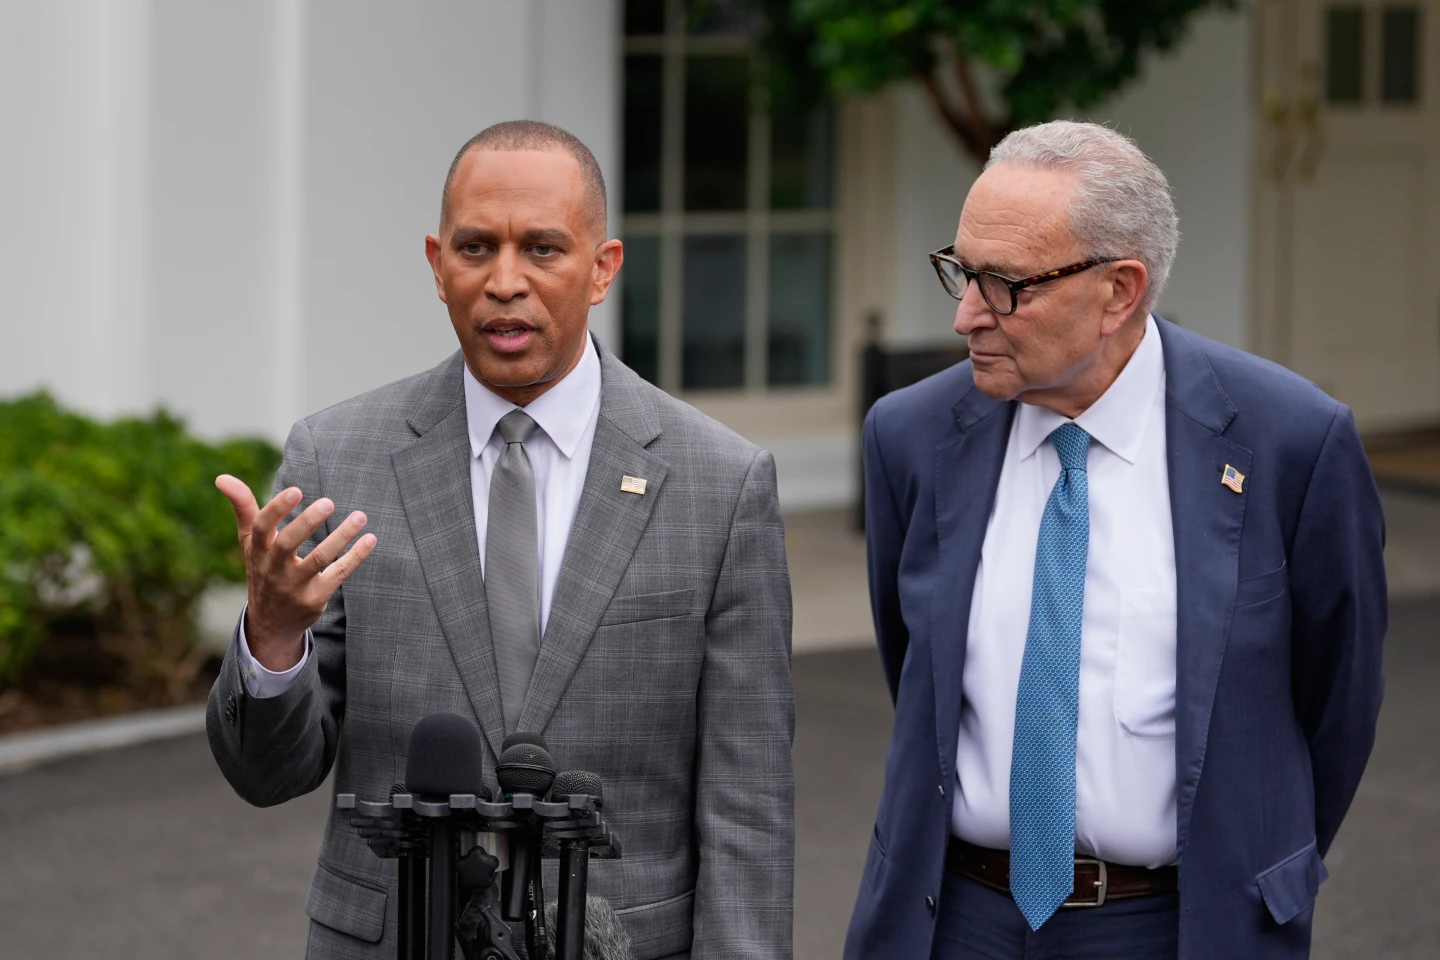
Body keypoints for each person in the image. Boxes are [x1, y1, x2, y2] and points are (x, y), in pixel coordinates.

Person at [207, 120, 795, 960]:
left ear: (603, 269)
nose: (505, 282)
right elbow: (266, 776)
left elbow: (750, 807)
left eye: (543, 249)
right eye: (475, 247)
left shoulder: (721, 483)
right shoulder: (336, 458)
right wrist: (272, 636)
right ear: (436, 264)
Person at [845, 121, 1385, 959]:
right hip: (951, 920)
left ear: (1119, 291)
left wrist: (1259, 866)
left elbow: (1337, 701)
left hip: (1178, 926)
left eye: (1003, 285)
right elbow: (912, 662)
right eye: (960, 269)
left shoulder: (1289, 442)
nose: (964, 316)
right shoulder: (911, 437)